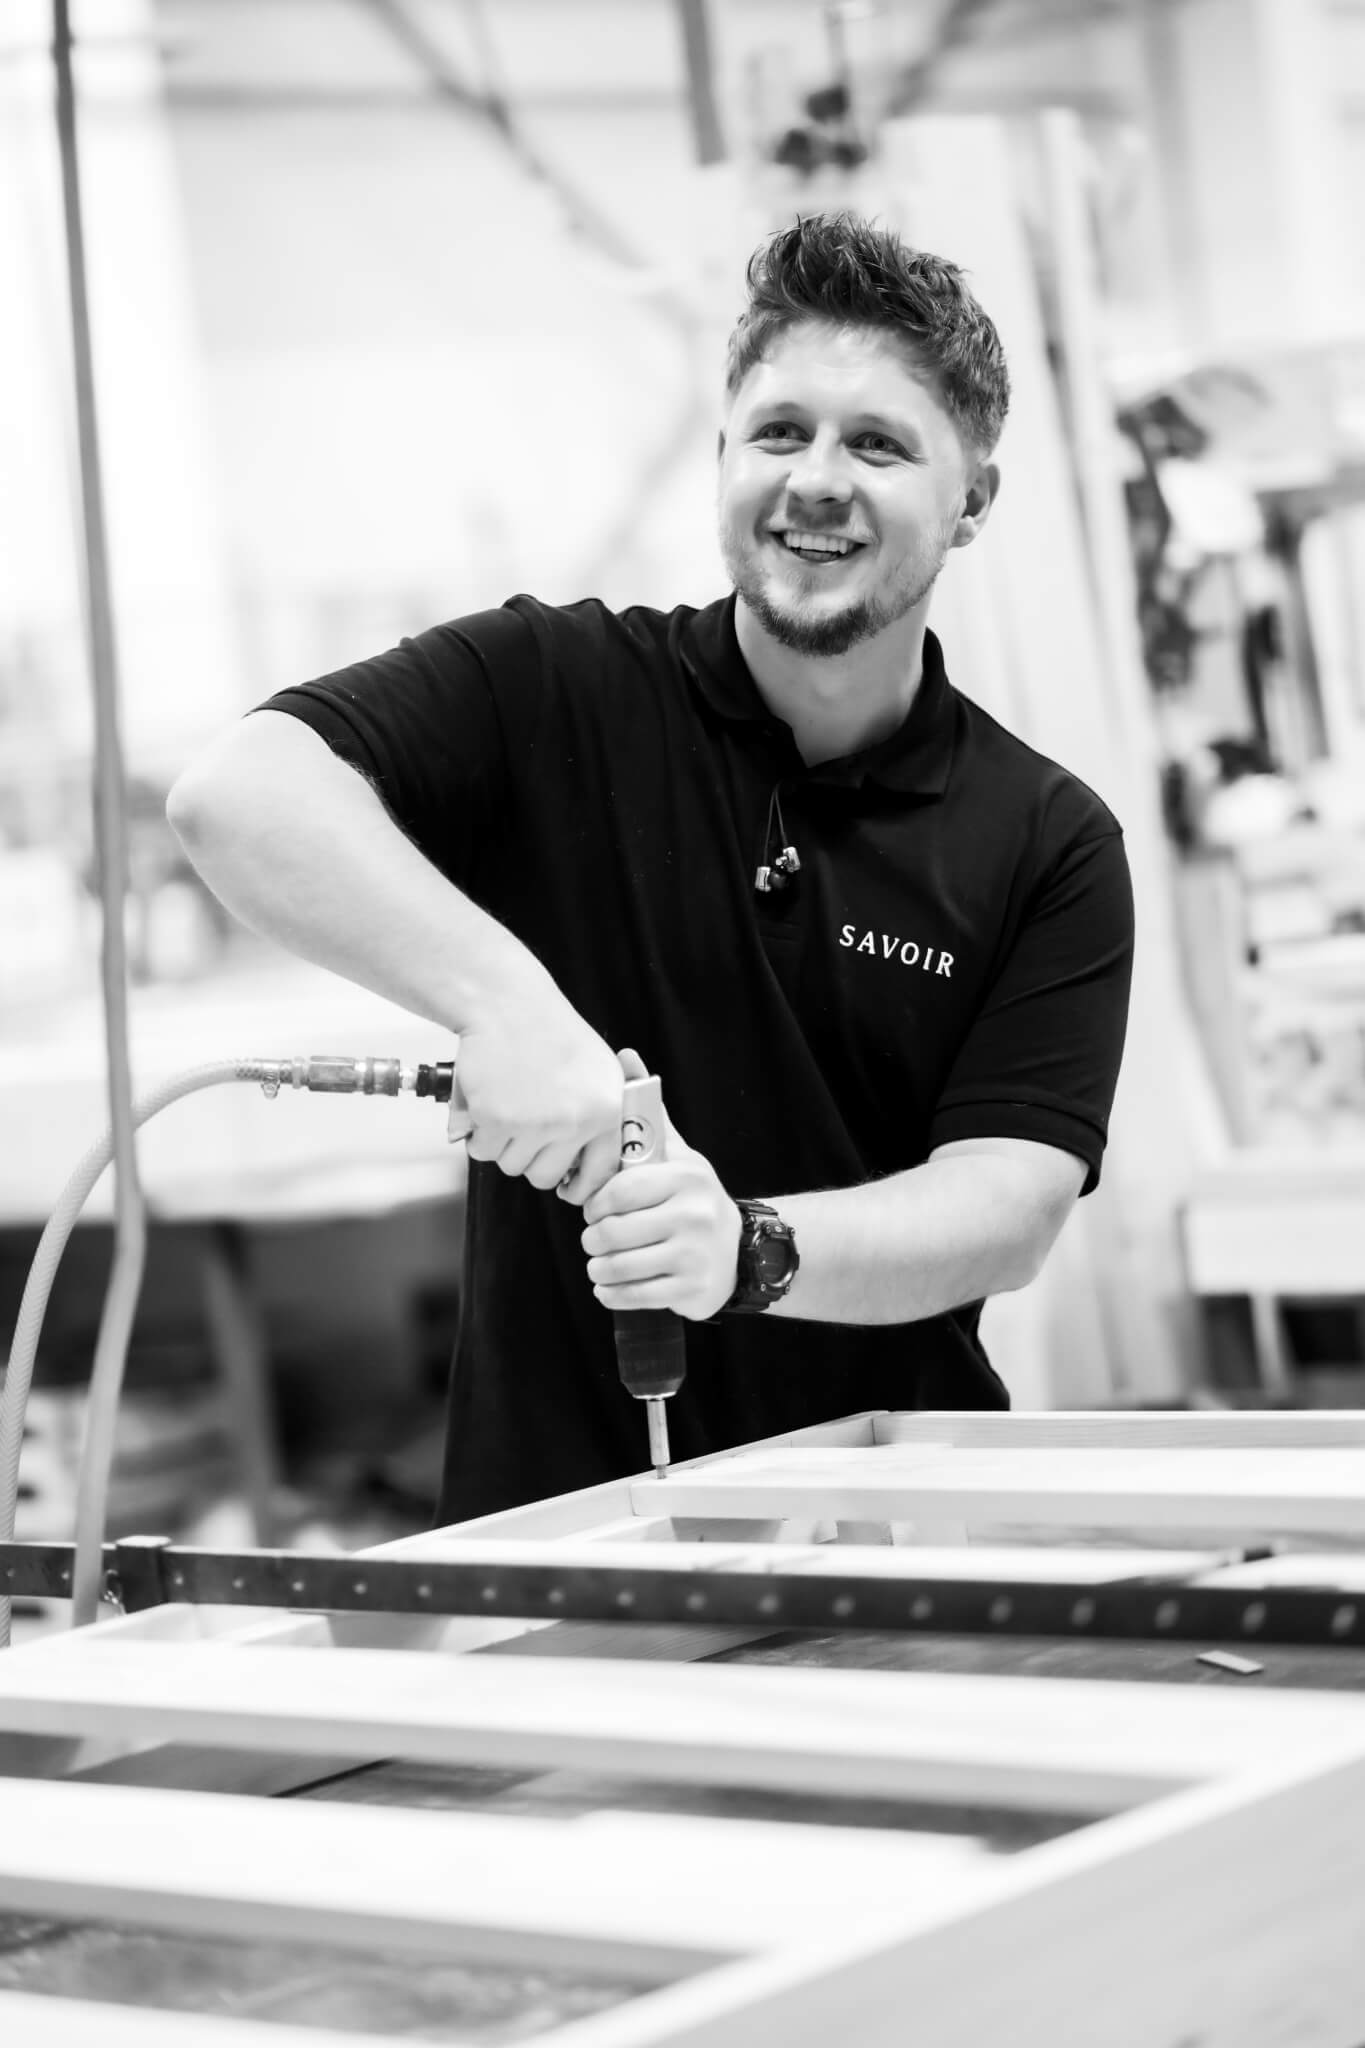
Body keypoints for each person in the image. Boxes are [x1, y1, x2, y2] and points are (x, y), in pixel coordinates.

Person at [168, 212, 1135, 1524]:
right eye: (779, 431)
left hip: (901, 1517)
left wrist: (744, 1250)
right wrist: (505, 1004)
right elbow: (240, 796)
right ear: (724, 454)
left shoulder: (1043, 838)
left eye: (879, 443)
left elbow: (1005, 1205)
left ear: (971, 502)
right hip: (554, 1529)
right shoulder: (552, 689)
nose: (816, 480)